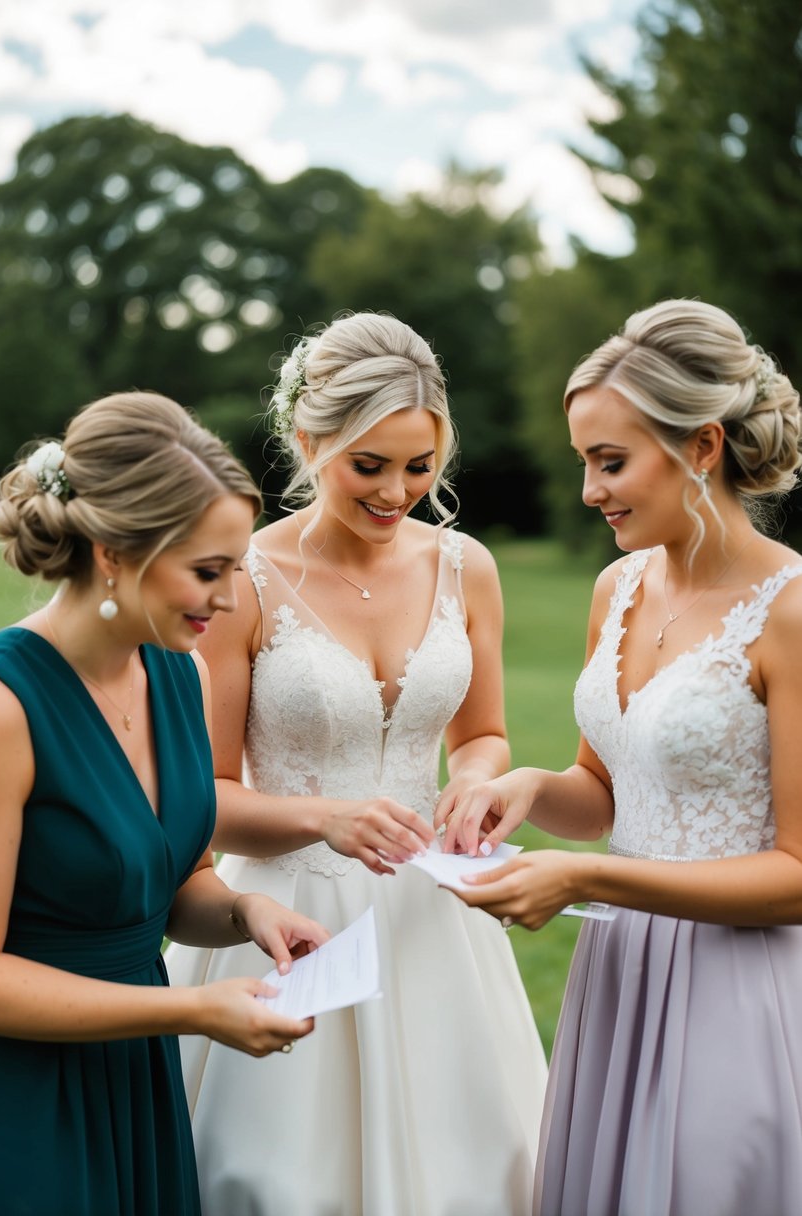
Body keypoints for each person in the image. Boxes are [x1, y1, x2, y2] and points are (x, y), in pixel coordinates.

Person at [165, 312, 547, 1215]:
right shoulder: (244, 579)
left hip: (436, 920)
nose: (397, 492)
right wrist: (323, 818)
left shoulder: (466, 567)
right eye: (367, 465)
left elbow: (482, 732)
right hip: (291, 921)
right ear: (307, 439)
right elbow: (206, 796)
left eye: (420, 466)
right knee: (280, 1177)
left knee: (472, 1166)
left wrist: (477, 780)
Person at [443, 299, 802, 1216]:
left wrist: (587, 883)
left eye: (611, 462)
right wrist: (528, 789)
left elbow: (797, 877)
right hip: (621, 978)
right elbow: (603, 793)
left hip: (742, 984)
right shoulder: (618, 586)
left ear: (703, 448)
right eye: (584, 463)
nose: (590, 492)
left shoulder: (790, 613)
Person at [0, 391, 331, 1216]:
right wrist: (190, 1008)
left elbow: (175, 886)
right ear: (112, 553)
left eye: (237, 567)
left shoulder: (182, 674)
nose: (232, 600)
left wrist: (246, 913)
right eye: (208, 571)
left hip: (136, 1074)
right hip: (20, 1096)